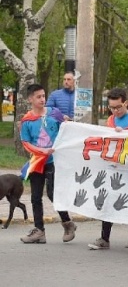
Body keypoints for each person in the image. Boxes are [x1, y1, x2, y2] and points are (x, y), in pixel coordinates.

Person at [20, 84, 77, 243]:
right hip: (38, 162)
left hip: (55, 161)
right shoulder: (27, 121)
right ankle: (39, 231)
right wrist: (40, 151)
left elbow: (67, 130)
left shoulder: (54, 113)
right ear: (30, 99)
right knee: (35, 197)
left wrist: (67, 122)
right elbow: (26, 142)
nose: (42, 99)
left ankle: (67, 223)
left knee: (53, 193)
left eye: (44, 96)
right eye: (38, 97)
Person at [88, 88, 128, 250]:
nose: (115, 111)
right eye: (112, 108)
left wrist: (124, 134)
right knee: (107, 201)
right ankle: (104, 238)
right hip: (113, 167)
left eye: (118, 107)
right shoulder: (110, 121)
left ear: (125, 103)